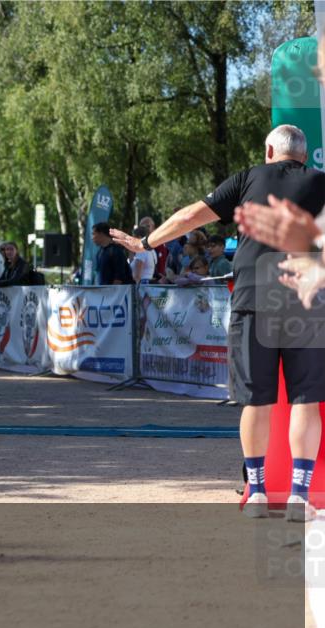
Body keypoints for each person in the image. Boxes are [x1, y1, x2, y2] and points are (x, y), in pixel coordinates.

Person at [110, 124, 325, 522]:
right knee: (305, 401)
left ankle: (258, 492)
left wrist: (146, 243)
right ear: (304, 154)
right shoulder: (321, 183)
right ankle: (299, 496)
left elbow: (191, 215)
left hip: (252, 299)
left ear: (268, 151)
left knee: (257, 400)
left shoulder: (247, 178)